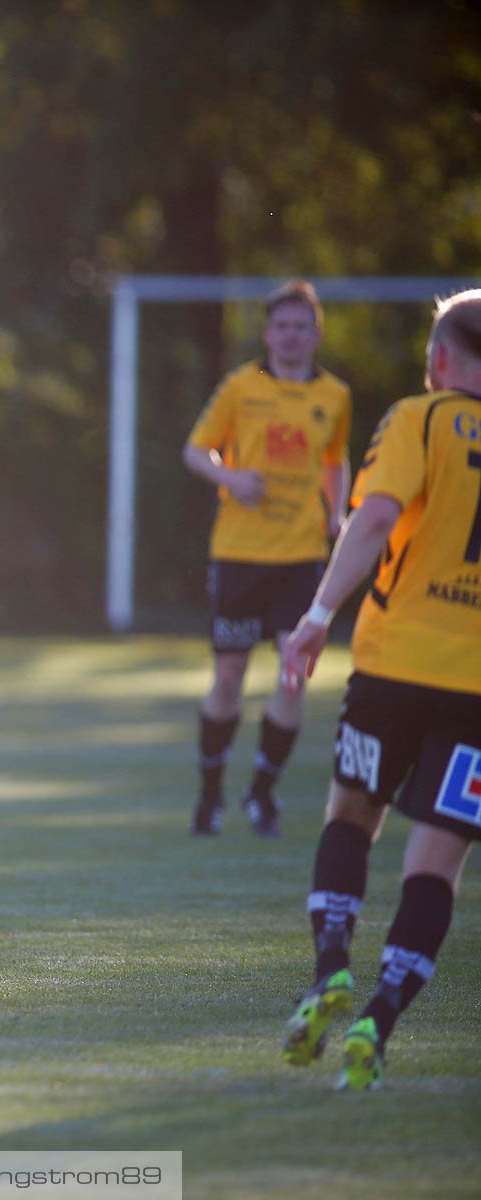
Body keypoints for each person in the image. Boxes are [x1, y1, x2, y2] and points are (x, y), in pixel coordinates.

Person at [277, 288, 481, 1091]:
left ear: (438, 360)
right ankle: (379, 1022)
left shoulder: (417, 419)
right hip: (477, 693)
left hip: (393, 666)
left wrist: (319, 613)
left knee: (352, 818)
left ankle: (332, 969)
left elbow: (371, 520)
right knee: (438, 864)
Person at [183, 280, 351, 836]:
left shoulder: (335, 397)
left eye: (301, 326)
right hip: (239, 554)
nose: (291, 335)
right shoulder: (241, 387)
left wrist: (338, 511)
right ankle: (209, 794)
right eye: (282, 325)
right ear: (268, 332)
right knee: (228, 675)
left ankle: (262, 791)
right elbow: (194, 449)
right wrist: (230, 476)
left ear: (315, 333)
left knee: (293, 675)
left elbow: (335, 459)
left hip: (301, 556)